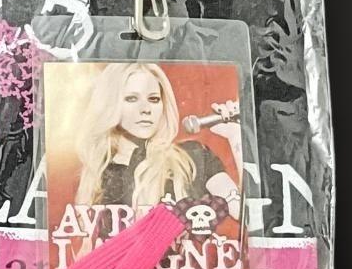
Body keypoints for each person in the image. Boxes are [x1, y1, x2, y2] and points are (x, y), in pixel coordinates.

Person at [75, 62, 241, 218]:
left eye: (153, 99)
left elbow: (245, 215)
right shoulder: (99, 174)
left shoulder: (192, 158)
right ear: (110, 105)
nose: (145, 109)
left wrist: (235, 136)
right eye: (131, 98)